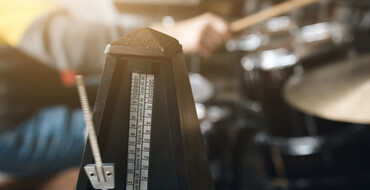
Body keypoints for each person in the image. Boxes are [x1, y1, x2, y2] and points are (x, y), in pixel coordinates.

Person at [0, 0, 231, 176]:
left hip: (41, 98)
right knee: (151, 130)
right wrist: (174, 34)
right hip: (11, 130)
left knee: (169, 92)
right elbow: (74, 45)